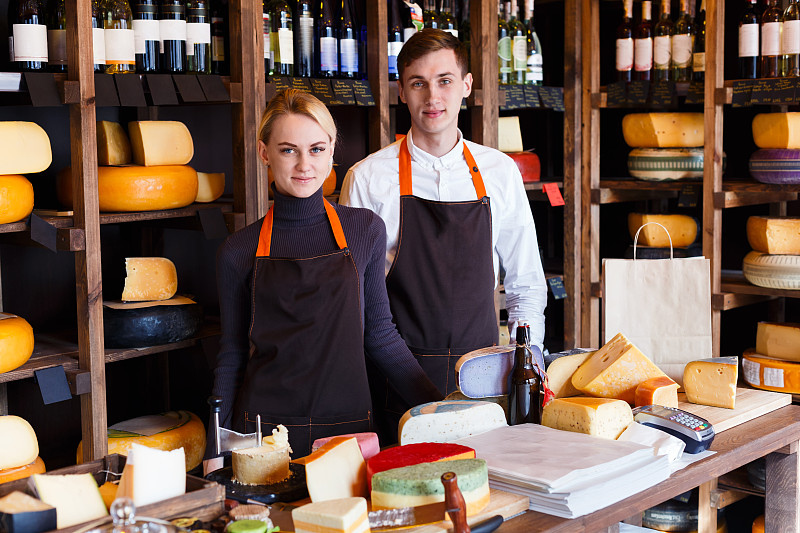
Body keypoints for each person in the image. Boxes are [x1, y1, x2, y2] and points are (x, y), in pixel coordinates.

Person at [205, 89, 441, 472]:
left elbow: (380, 335)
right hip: (264, 439)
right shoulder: (238, 249)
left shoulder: (364, 230)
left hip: (349, 431)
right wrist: (215, 450)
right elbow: (231, 355)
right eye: (288, 150)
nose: (304, 165)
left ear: (332, 150)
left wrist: (437, 406)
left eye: (316, 149)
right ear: (265, 153)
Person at [340, 29, 547, 434]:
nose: (432, 97)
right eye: (418, 83)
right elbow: (355, 300)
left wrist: (527, 359)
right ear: (402, 91)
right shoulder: (367, 178)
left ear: (466, 86)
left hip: (487, 380)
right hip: (396, 381)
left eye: (445, 81)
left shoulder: (499, 172)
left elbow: (526, 283)